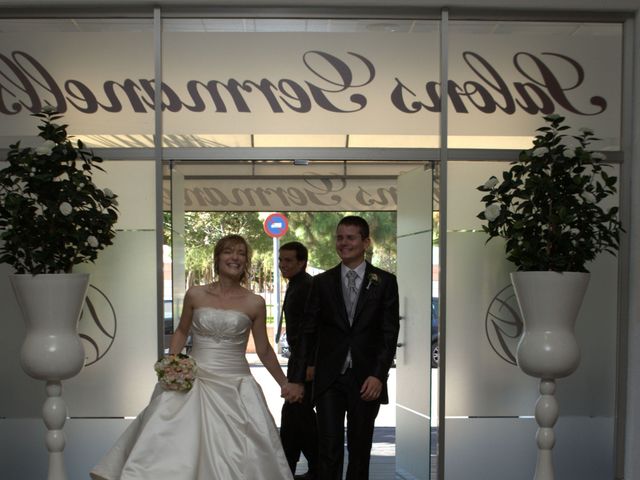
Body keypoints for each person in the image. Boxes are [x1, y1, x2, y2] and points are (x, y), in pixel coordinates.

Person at [91, 234, 301, 480]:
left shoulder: (255, 302)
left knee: (239, 453)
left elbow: (264, 349)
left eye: (241, 253)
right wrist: (173, 362)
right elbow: (181, 330)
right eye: (228, 251)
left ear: (246, 261)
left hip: (236, 385)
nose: (235, 257)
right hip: (194, 381)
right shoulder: (195, 294)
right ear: (217, 258)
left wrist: (283, 382)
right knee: (174, 446)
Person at [289, 216, 400, 480]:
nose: (343, 243)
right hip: (330, 380)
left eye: (350, 238)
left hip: (366, 379)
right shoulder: (321, 282)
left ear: (365, 242)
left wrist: (378, 375)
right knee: (328, 448)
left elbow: (388, 333)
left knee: (361, 450)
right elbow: (308, 332)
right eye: (340, 237)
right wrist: (296, 377)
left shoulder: (384, 281)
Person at [276, 241, 318, 480]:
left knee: (298, 416)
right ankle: (290, 469)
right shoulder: (297, 284)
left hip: (306, 365)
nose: (283, 265)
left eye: (288, 260)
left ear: (302, 262)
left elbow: (311, 330)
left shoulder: (306, 286)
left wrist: (310, 365)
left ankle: (318, 467)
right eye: (281, 260)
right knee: (293, 417)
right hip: (299, 362)